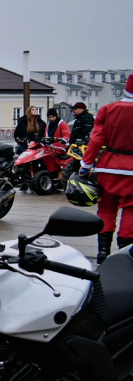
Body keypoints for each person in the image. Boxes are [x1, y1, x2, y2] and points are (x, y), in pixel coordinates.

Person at [80, 76, 133, 262]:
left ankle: (103, 252)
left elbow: (95, 141)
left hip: (108, 167)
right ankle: (125, 253)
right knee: (131, 210)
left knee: (106, 208)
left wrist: (85, 165)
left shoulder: (108, 109)